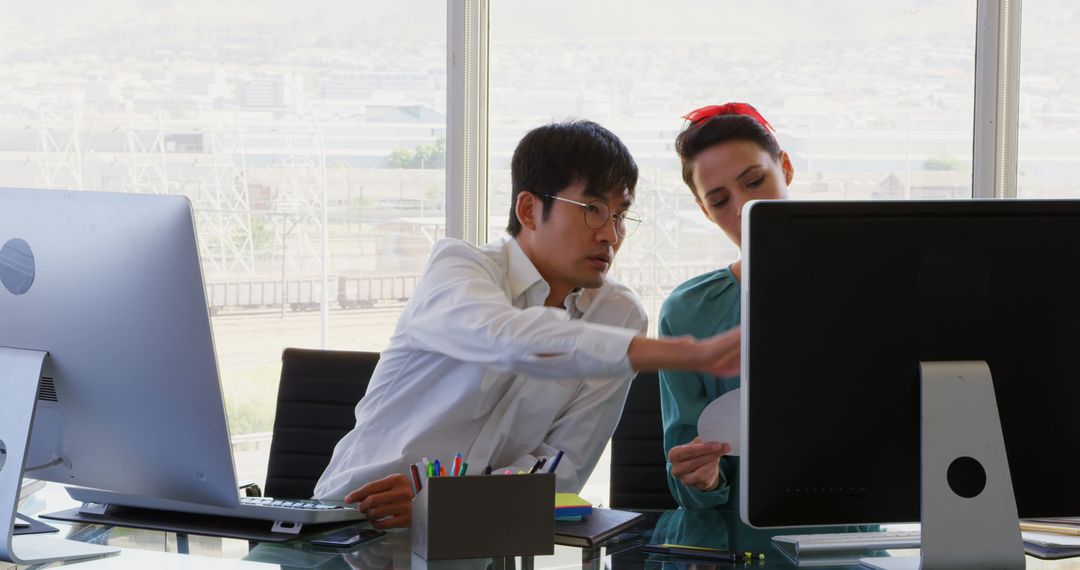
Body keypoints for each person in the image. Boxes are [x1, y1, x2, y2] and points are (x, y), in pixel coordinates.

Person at [314, 120, 742, 528]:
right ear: (529, 209)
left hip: (481, 541)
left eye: (619, 215)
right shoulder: (458, 268)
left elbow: (562, 474)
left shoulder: (619, 315)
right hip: (348, 522)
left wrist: (440, 506)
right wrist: (689, 352)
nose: (610, 234)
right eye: (593, 209)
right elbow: (511, 340)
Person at [660, 103, 793, 509]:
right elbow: (683, 471)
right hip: (726, 542)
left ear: (785, 168)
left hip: (844, 534)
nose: (742, 208)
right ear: (704, 211)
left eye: (755, 181)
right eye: (719, 201)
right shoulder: (688, 312)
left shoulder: (862, 285)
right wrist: (701, 477)